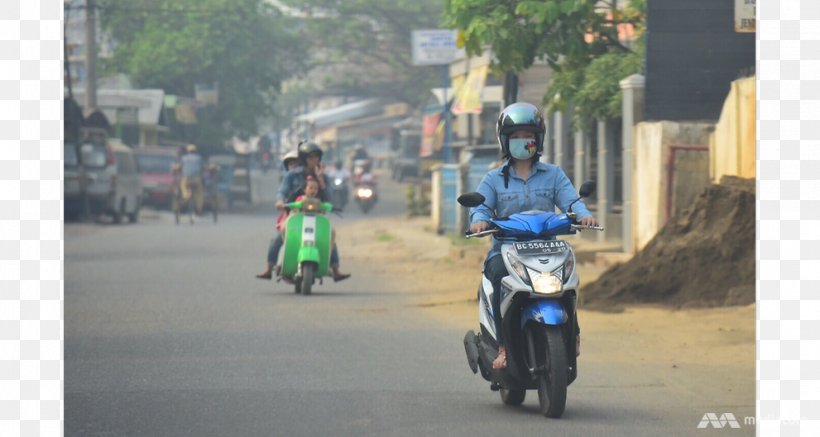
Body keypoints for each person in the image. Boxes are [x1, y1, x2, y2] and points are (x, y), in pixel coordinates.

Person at [469, 102, 599, 370]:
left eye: (527, 136)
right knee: (495, 274)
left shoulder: (554, 174)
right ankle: (503, 346)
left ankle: (572, 333)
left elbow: (572, 202)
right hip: (506, 251)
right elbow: (480, 207)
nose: (522, 142)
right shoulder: (493, 179)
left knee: (570, 281)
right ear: (505, 141)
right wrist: (480, 221)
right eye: (515, 137)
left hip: (547, 250)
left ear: (537, 139)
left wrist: (584, 215)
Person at [256, 142, 351, 282]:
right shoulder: (292, 175)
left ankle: (335, 269)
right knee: (277, 238)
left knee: (330, 235)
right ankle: (269, 268)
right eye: (310, 157)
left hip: (317, 215)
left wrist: (320, 179)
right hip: (294, 213)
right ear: (303, 158)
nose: (314, 160)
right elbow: (282, 191)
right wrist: (280, 201)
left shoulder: (323, 177)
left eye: (316, 157)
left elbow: (329, 198)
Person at [175, 144, 205, 215]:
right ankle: (199, 208)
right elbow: (202, 168)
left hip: (186, 178)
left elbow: (179, 167)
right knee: (199, 193)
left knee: (183, 187)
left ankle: (186, 197)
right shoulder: (199, 158)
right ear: (195, 151)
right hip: (196, 179)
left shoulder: (183, 158)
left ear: (188, 151)